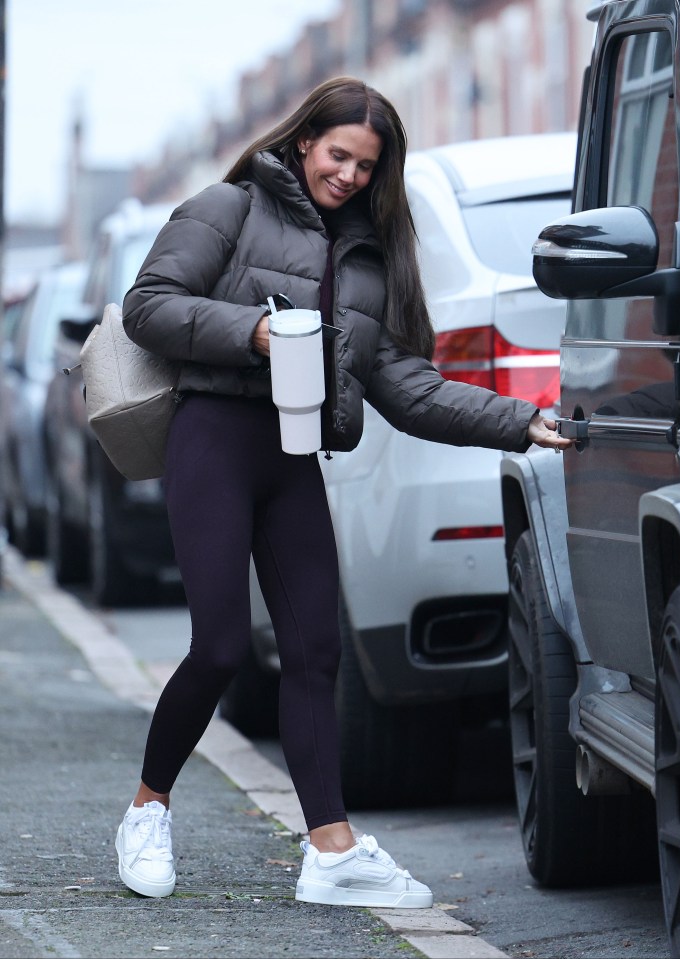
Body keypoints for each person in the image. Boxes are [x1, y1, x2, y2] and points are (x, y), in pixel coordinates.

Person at [115, 75, 572, 909]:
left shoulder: (369, 253)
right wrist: (253, 330)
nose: (351, 176)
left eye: (367, 165)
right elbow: (148, 305)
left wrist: (520, 421)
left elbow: (406, 383)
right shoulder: (231, 207)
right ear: (303, 144)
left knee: (316, 651)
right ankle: (147, 810)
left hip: (292, 454)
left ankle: (329, 849)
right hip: (213, 436)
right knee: (219, 645)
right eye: (339, 156)